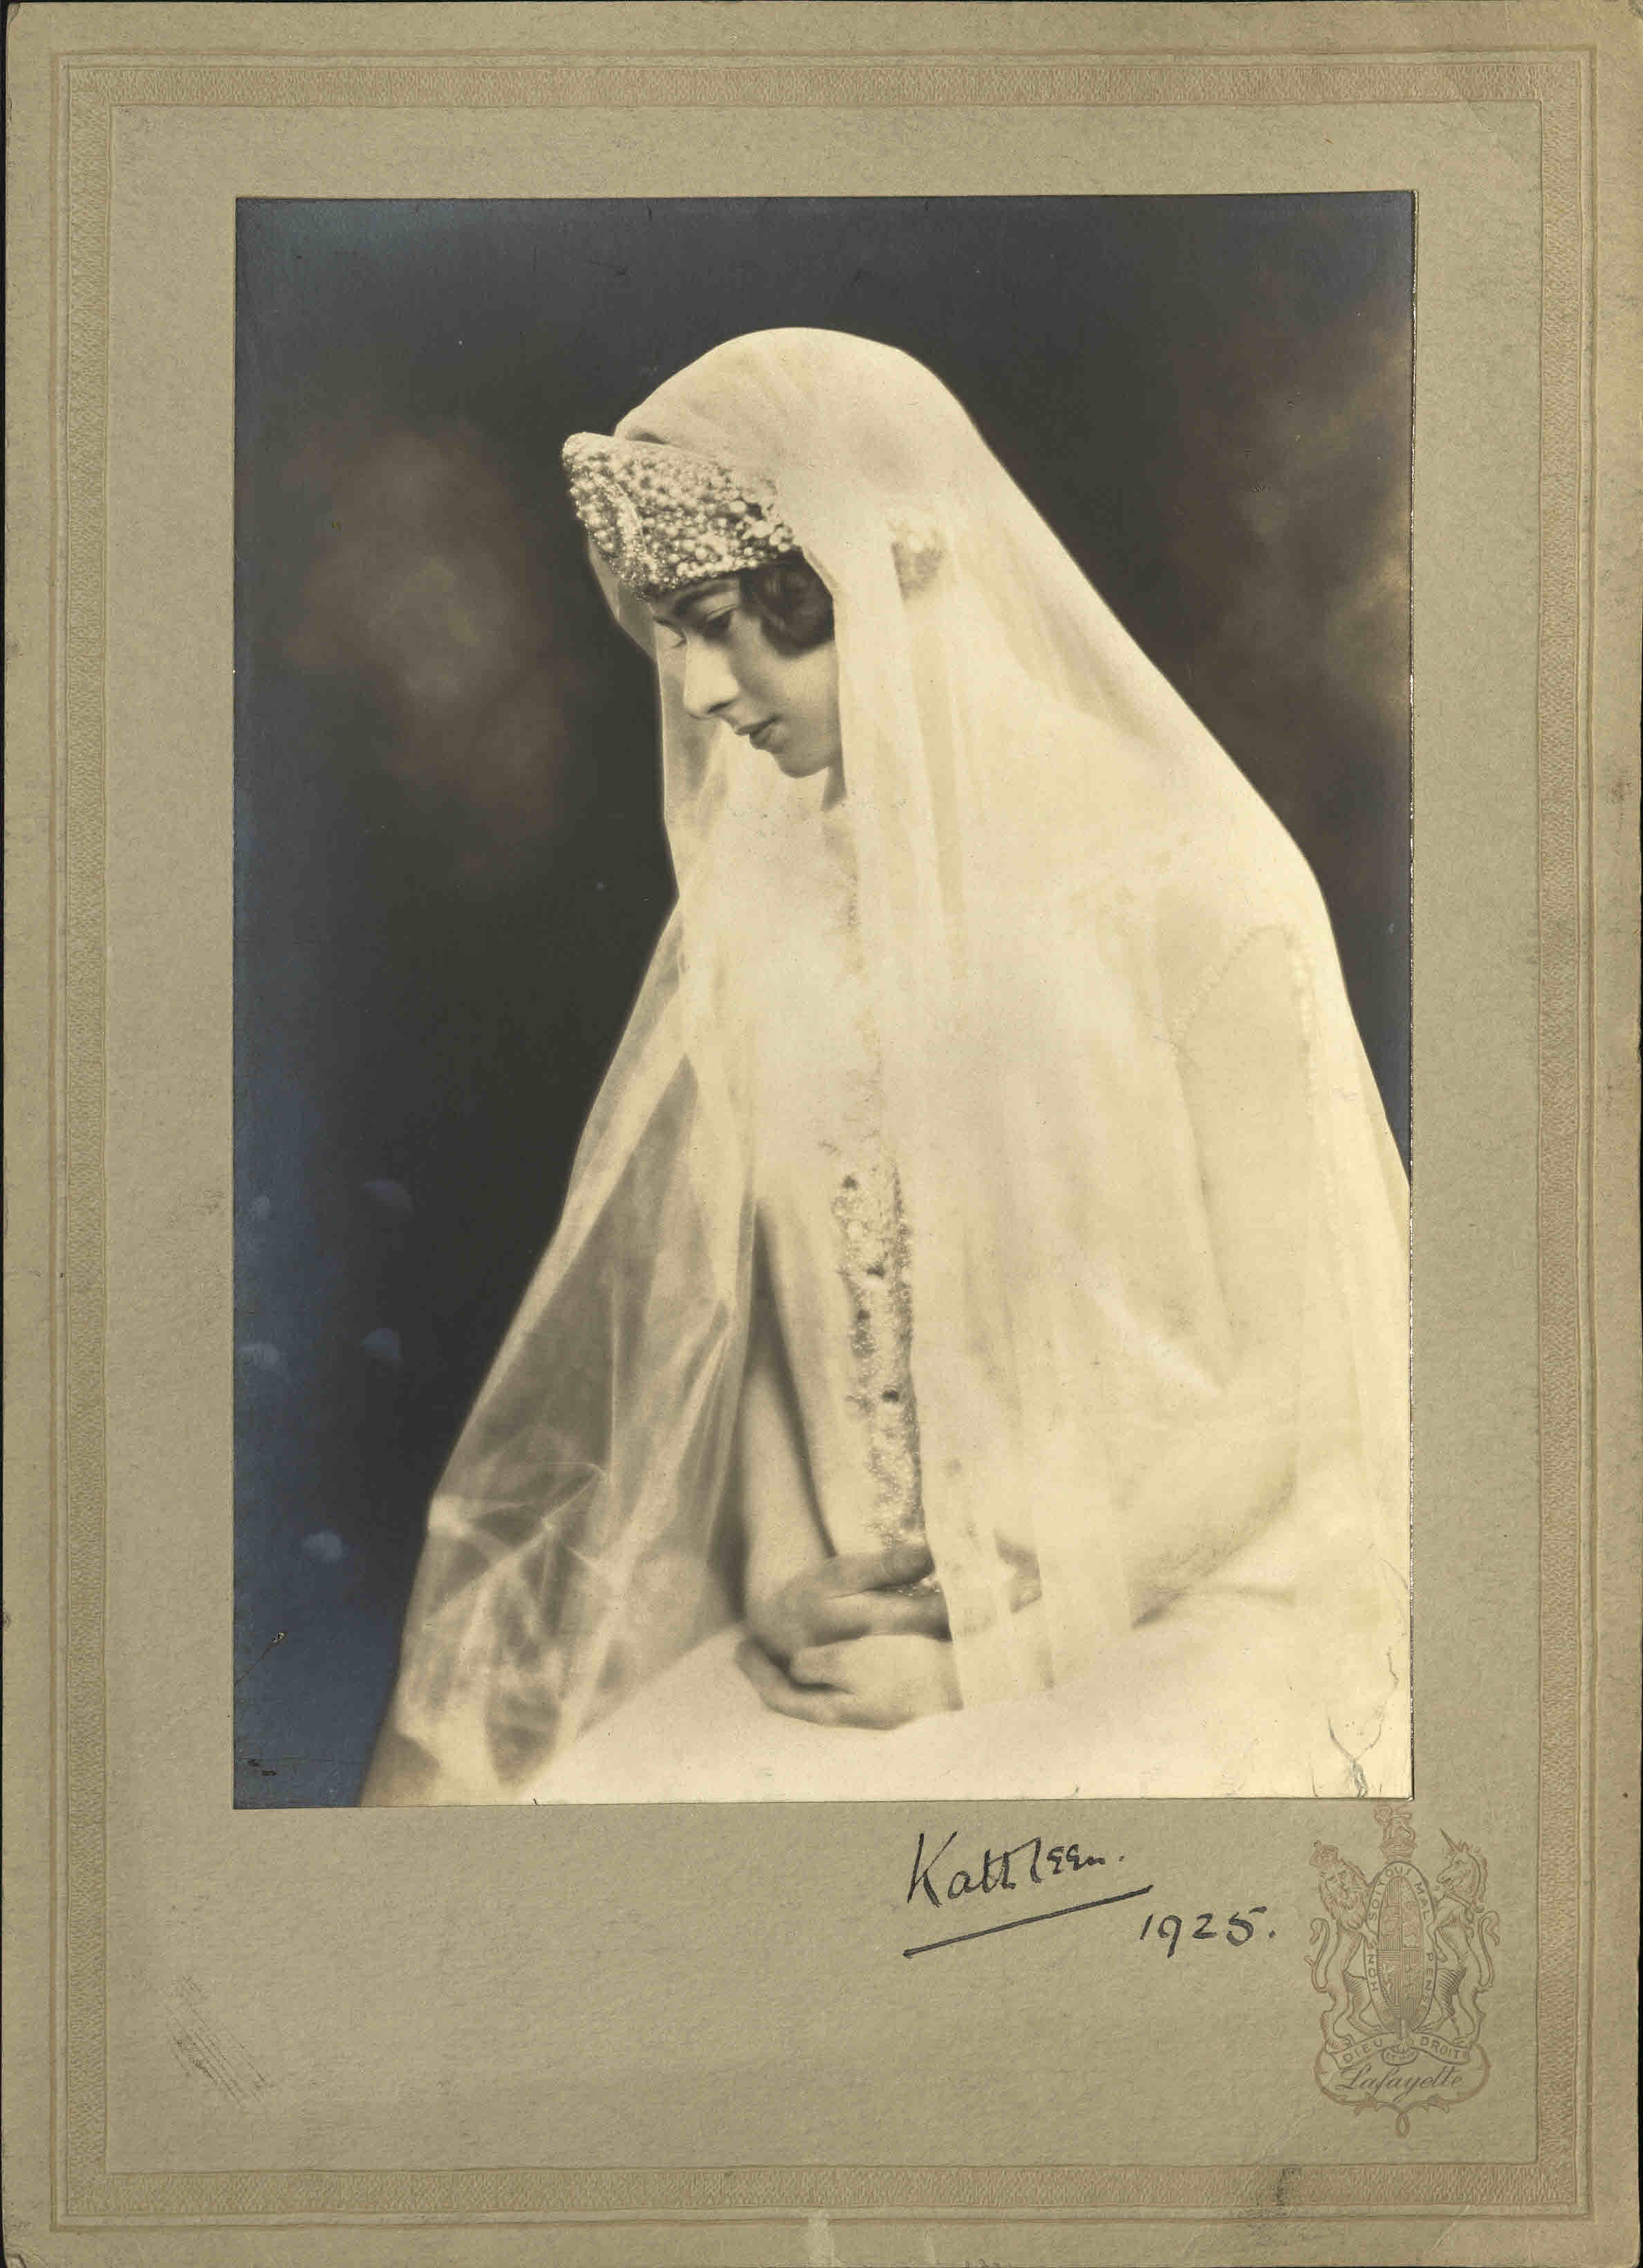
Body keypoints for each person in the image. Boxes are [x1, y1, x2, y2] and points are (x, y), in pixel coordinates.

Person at [360, 328, 1411, 1806]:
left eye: (724, 623)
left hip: (1187, 1616)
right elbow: (756, 1310)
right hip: (858, 1645)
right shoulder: (770, 897)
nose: (699, 690)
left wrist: (1008, 1660)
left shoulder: (1202, 885)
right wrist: (787, 1577)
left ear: (870, 570)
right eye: (674, 633)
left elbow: (1309, 1376)